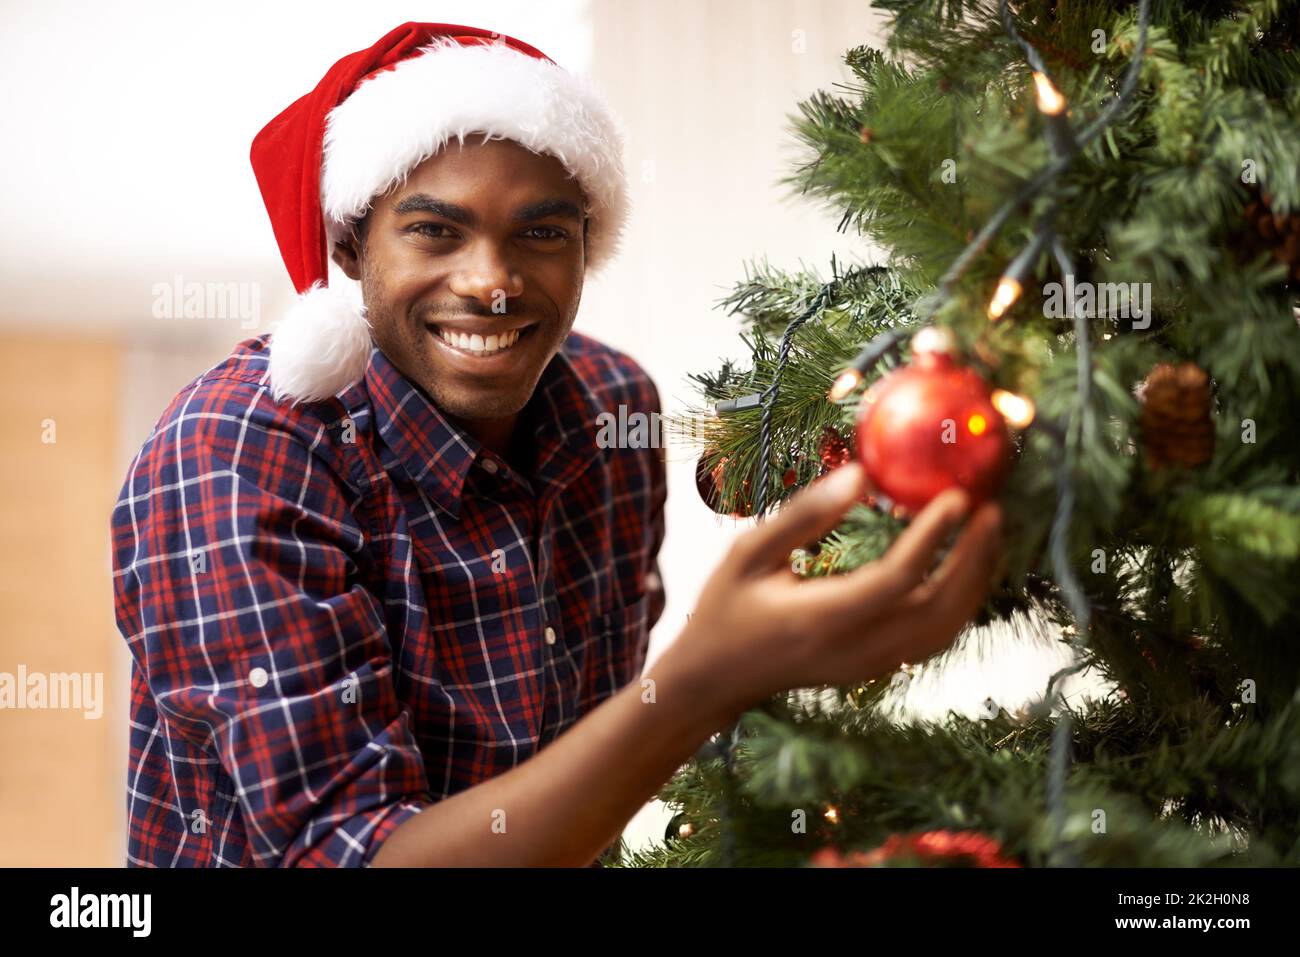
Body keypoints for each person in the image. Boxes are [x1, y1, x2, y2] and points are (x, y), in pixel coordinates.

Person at [110, 21, 1003, 868]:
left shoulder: (611, 413)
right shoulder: (237, 452)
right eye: (434, 230)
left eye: (541, 232)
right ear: (351, 246)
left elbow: (587, 773)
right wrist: (706, 678)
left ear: (587, 245)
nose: (492, 281)